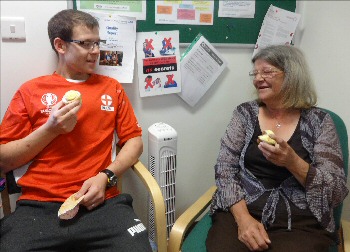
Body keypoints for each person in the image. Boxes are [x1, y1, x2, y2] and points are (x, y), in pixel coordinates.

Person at [0, 9, 152, 251]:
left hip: (102, 203)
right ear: (60, 45)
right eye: (85, 44)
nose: (95, 51)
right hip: (39, 207)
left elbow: (134, 141)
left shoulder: (111, 88)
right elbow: (4, 161)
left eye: (97, 43)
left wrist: (107, 176)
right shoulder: (30, 91)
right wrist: (51, 129)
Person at [206, 45, 348, 252]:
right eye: (255, 73)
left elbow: (335, 191)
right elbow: (225, 169)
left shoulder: (320, 122)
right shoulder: (244, 114)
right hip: (243, 209)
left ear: (292, 75)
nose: (257, 78)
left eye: (267, 71)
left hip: (299, 222)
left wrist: (293, 162)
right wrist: (244, 220)